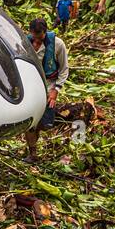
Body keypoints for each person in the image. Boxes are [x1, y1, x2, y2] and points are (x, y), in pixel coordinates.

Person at [23, 18, 69, 161]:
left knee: (46, 124)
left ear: (45, 32)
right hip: (30, 87)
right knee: (30, 122)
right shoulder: (25, 42)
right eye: (34, 37)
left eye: (40, 37)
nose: (37, 41)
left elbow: (64, 69)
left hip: (49, 86)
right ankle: (33, 153)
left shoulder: (58, 44)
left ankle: (44, 144)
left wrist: (56, 89)